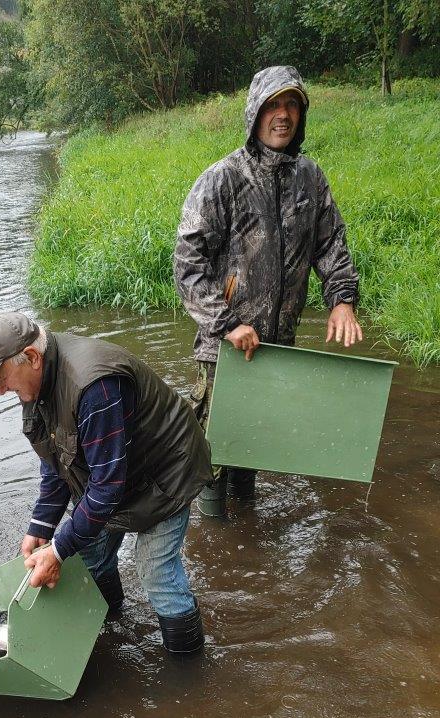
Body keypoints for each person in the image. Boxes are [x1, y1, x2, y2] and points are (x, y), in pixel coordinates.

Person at [0, 311, 213, 658]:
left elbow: (106, 489)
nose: (0, 390)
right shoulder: (36, 385)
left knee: (156, 573)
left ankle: (188, 667)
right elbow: (57, 461)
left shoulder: (94, 387)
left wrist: (58, 550)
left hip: (166, 472)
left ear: (32, 357)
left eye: (0, 378)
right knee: (90, 559)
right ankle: (112, 621)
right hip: (115, 470)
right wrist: (41, 524)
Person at [173, 65, 363, 515]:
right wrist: (227, 324)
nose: (283, 114)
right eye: (273, 105)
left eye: (292, 104)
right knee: (213, 463)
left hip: (277, 350)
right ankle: (216, 545)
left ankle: (247, 537)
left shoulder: (310, 178)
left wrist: (341, 299)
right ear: (255, 113)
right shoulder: (223, 179)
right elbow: (187, 266)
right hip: (225, 352)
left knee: (251, 457)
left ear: (301, 114)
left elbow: (331, 243)